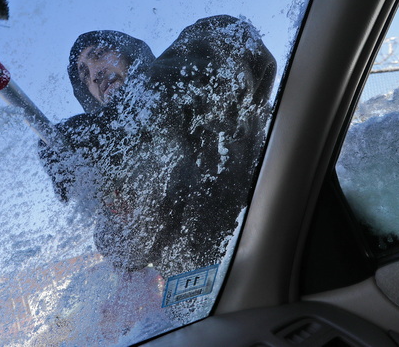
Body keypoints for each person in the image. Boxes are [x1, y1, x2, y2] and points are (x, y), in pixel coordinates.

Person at [40, 15, 276, 280]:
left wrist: (108, 129)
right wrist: (108, 200)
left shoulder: (196, 53)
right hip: (205, 303)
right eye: (84, 74)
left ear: (128, 52)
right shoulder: (127, 167)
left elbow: (233, 45)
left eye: (99, 54)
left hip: (275, 249)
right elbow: (125, 253)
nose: (94, 75)